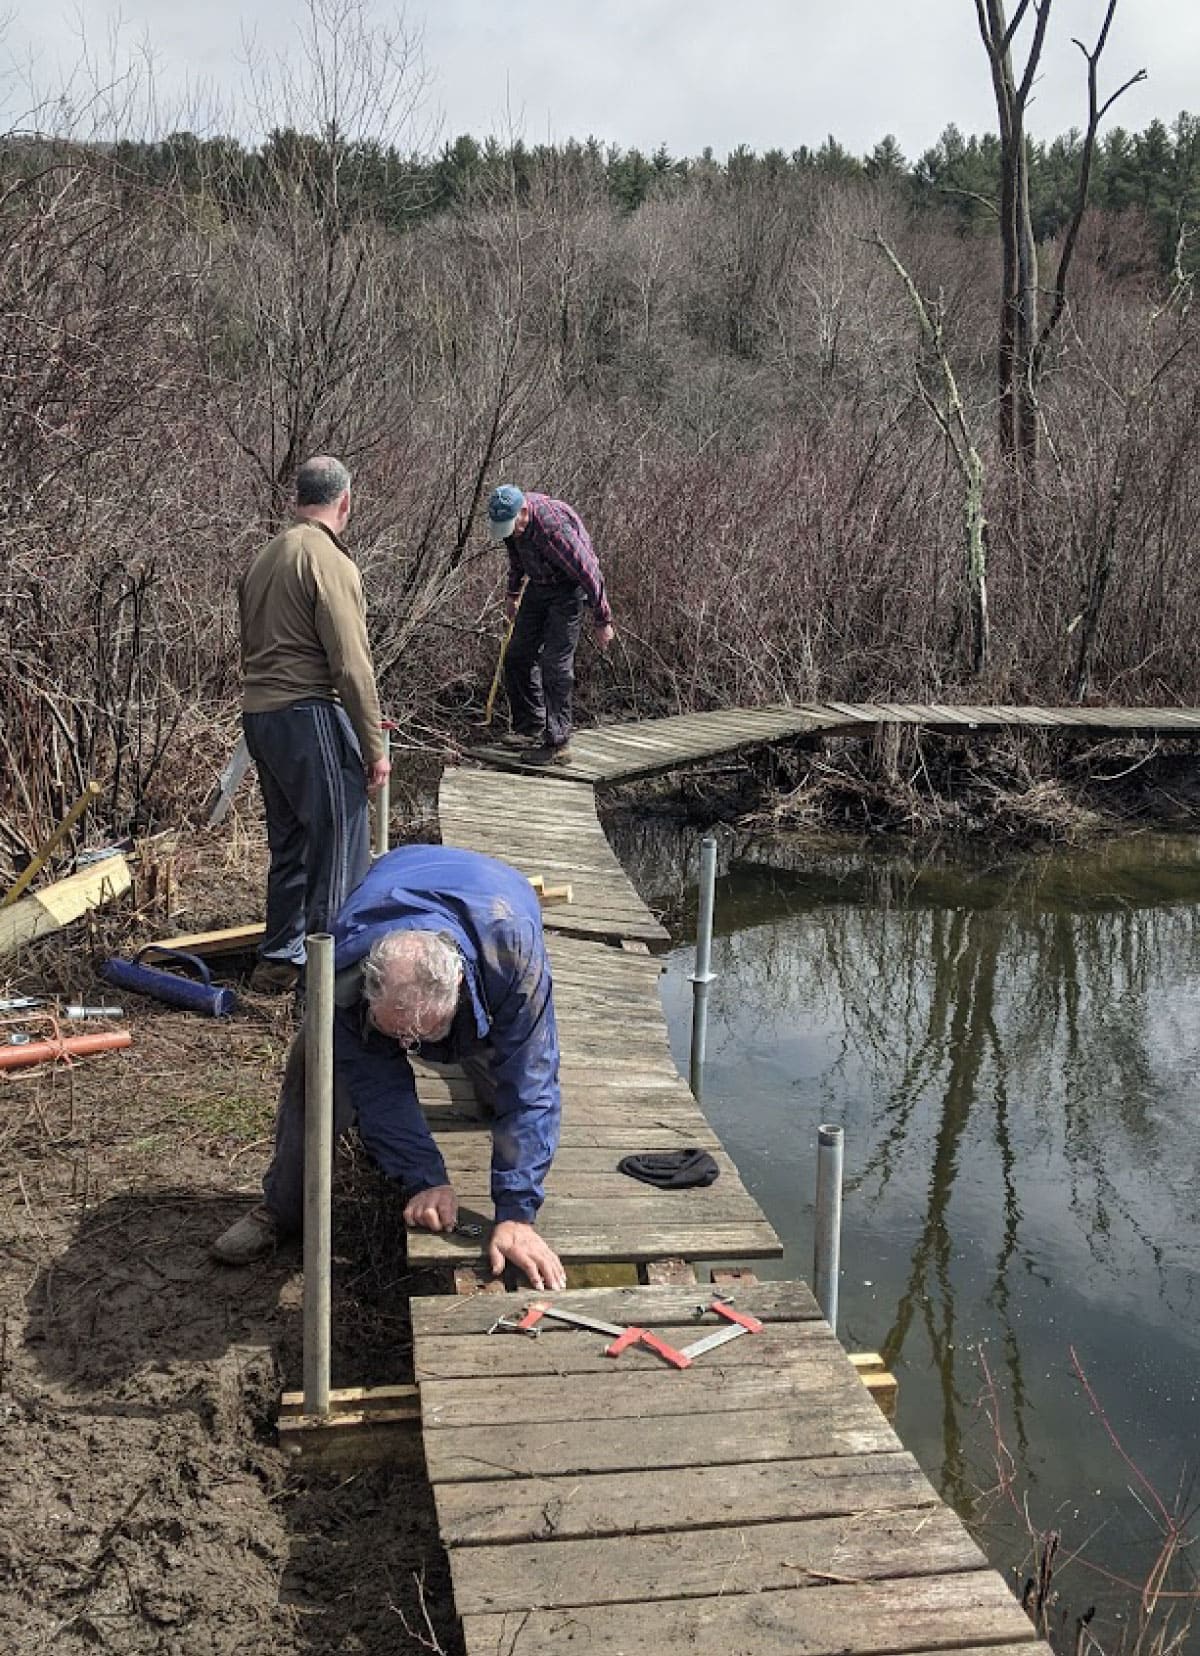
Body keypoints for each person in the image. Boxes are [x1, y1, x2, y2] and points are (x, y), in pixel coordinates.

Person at [211, 845, 567, 1292]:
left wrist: (516, 1214)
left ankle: (469, 1068)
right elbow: (380, 1087)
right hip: (399, 895)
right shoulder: (345, 963)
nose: (407, 1049)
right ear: (370, 983)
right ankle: (282, 1210)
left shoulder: (512, 955)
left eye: (420, 1037)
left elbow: (532, 1085)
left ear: (457, 987)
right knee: (316, 1067)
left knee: (508, 1090)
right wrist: (425, 1178)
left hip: (496, 908)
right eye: (397, 1034)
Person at [238, 456, 390, 993]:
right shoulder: (328, 560)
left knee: (292, 843)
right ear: (345, 501)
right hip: (306, 711)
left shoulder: (265, 556)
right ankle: (333, 978)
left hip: (261, 717)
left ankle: (280, 958)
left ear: (298, 497)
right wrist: (374, 746)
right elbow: (350, 663)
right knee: (342, 836)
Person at [486, 484, 615, 765]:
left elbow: (589, 571)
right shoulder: (512, 526)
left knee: (554, 665)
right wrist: (512, 594)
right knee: (518, 654)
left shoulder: (552, 528)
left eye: (512, 525)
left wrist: (602, 619)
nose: (511, 532)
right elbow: (517, 559)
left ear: (523, 511)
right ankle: (530, 726)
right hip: (539, 584)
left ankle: (558, 743)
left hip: (569, 590)